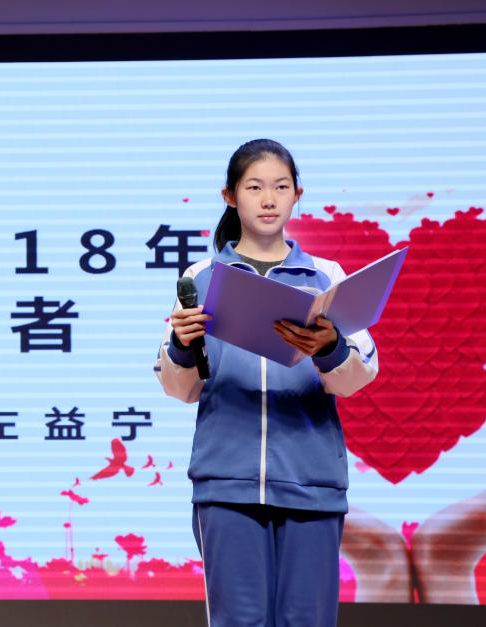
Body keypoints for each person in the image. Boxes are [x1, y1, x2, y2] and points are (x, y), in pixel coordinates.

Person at [155, 139, 378, 626]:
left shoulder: (326, 277)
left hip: (312, 482)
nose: (269, 199)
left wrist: (329, 348)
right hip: (225, 485)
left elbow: (357, 376)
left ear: (298, 194)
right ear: (230, 196)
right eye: (254, 187)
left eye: (281, 187)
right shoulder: (201, 277)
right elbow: (178, 387)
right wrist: (181, 344)